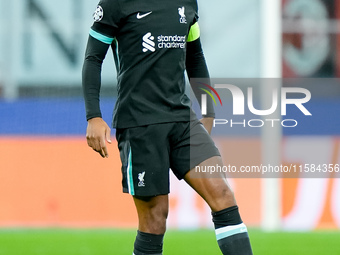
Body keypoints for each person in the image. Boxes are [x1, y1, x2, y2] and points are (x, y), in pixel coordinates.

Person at [82, 0, 253, 254]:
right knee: (154, 219)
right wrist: (93, 116)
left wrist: (207, 108)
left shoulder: (188, 3)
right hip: (140, 124)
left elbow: (194, 54)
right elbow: (93, 58)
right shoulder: (115, 3)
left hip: (182, 119)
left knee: (223, 194)